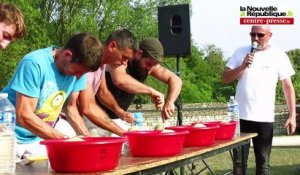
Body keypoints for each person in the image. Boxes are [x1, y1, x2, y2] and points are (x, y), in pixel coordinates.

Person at [1, 32, 103, 159]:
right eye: (77, 71)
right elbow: (24, 115)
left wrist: (88, 143)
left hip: (40, 137)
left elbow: (71, 109)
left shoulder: (78, 73)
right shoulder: (34, 63)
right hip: (9, 135)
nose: (79, 77)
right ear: (67, 55)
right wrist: (64, 140)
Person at [222, 25, 296, 175]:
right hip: (240, 117)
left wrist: (292, 115)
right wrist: (242, 65)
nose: (255, 38)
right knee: (238, 164)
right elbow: (225, 78)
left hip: (264, 118)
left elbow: (288, 87)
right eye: (252, 34)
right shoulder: (241, 51)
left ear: (269, 35)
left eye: (260, 35)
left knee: (263, 164)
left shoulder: (279, 55)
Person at [94, 37, 182, 134]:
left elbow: (176, 80)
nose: (149, 69)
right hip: (94, 117)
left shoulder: (150, 67)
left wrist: (170, 101)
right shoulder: (121, 60)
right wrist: (151, 91)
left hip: (117, 118)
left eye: (153, 65)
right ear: (139, 54)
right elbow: (120, 80)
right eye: (148, 63)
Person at [63, 29, 141, 137]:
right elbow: (88, 107)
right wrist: (123, 133)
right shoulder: (89, 63)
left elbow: (102, 91)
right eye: (124, 57)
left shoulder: (102, 64)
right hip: (67, 121)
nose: (125, 63)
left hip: (78, 118)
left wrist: (119, 111)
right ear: (112, 46)